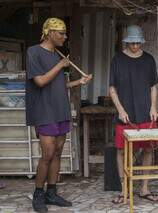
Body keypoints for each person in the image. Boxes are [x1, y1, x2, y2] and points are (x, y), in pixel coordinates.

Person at [26, 17, 92, 213]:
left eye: (64, 33)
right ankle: (39, 194)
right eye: (61, 33)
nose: (64, 37)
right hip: (44, 110)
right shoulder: (33, 52)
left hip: (61, 109)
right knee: (47, 153)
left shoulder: (57, 55)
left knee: (58, 151)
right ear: (49, 33)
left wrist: (78, 82)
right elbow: (39, 81)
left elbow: (59, 85)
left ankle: (52, 193)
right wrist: (61, 65)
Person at [109, 25, 158, 204]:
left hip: (145, 112)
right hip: (125, 113)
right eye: (132, 43)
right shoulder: (117, 60)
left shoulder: (149, 60)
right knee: (122, 151)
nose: (136, 46)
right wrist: (120, 109)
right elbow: (112, 88)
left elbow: (153, 86)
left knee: (147, 149)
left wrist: (153, 107)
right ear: (126, 41)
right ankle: (125, 190)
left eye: (138, 43)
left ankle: (144, 189)